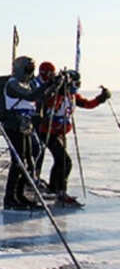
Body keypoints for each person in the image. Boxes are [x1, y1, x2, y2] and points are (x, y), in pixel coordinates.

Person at [39, 70, 110, 207]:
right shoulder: (57, 95)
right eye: (75, 83)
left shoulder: (72, 96)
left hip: (60, 132)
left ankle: (54, 188)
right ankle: (61, 191)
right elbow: (48, 103)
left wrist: (101, 98)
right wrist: (58, 91)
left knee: (60, 160)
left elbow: (87, 104)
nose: (77, 86)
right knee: (65, 161)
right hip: (49, 131)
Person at [2, 56, 55, 210]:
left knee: (27, 162)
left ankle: (19, 195)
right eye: (28, 69)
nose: (31, 72)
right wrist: (48, 84)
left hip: (25, 125)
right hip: (14, 126)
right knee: (18, 162)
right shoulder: (12, 84)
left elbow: (40, 97)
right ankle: (10, 198)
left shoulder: (26, 84)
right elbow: (31, 96)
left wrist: (54, 86)